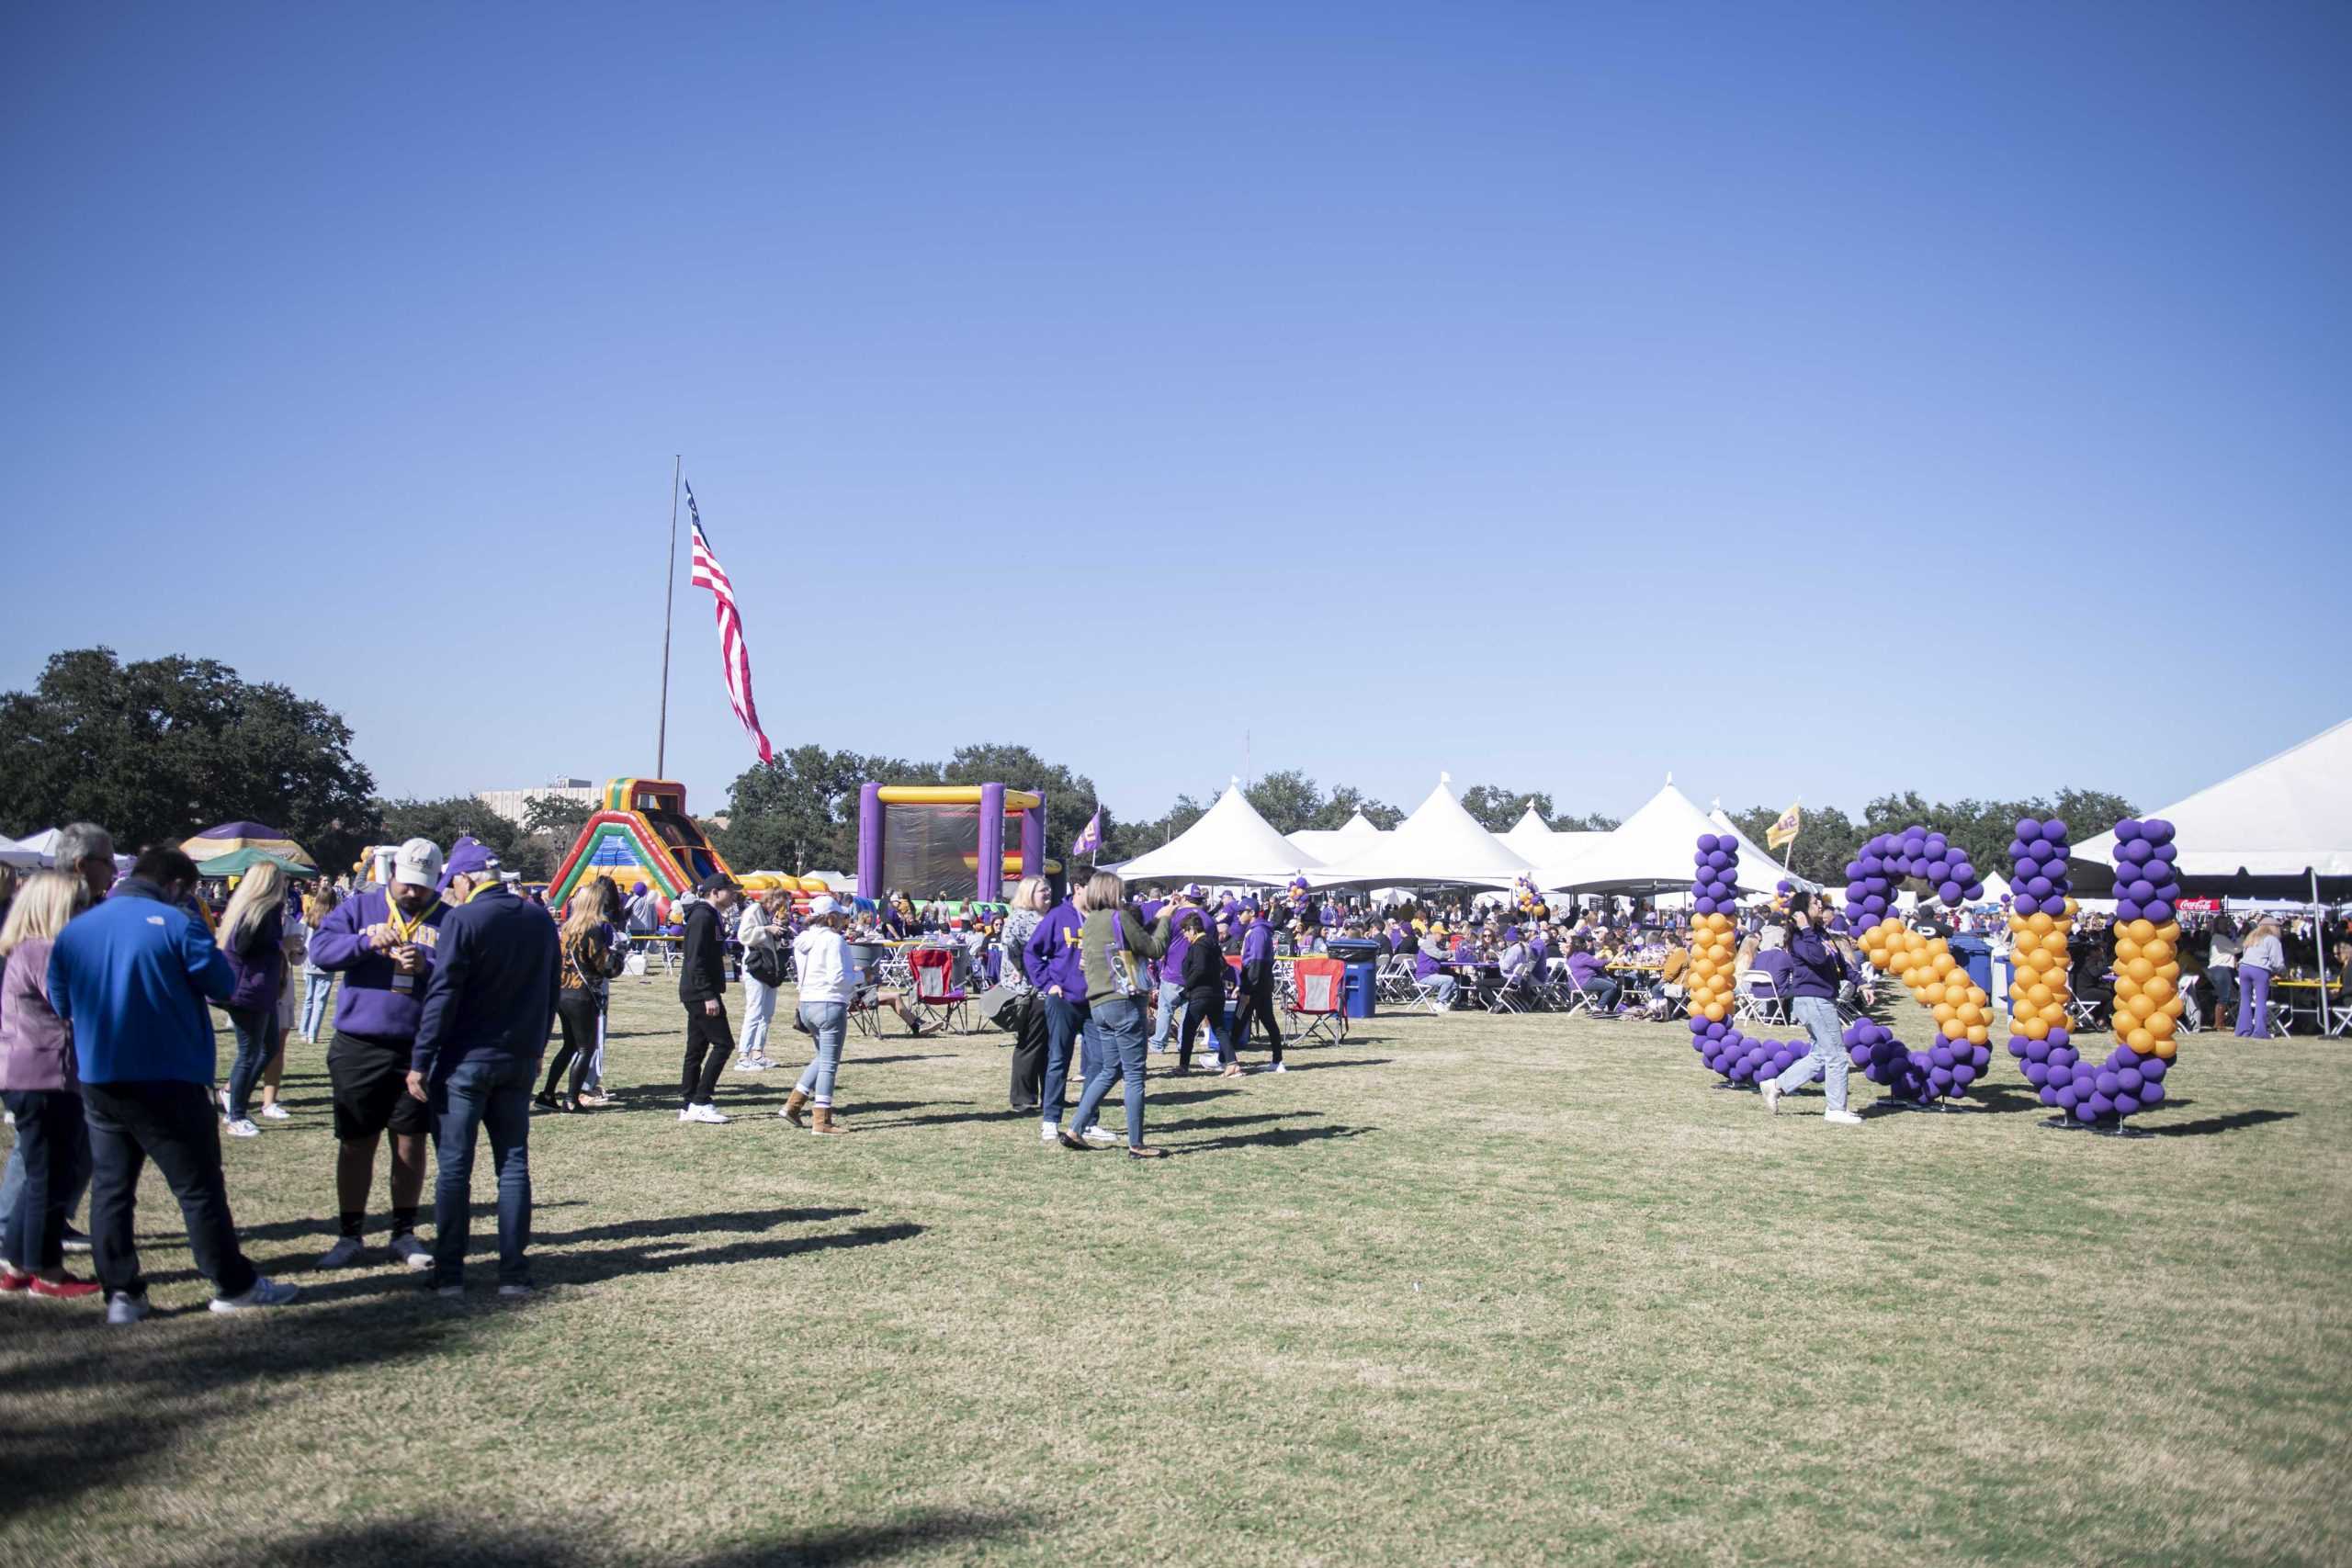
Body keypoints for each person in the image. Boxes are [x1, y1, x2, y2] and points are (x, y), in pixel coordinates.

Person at [48, 845, 299, 1322]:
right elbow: (222, 983)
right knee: (198, 1188)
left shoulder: (77, 929)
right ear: (178, 886)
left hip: (101, 1075)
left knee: (112, 1189)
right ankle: (232, 1284)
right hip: (170, 1075)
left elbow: (60, 1002)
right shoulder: (178, 923)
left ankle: (123, 1294)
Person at [406, 838, 561, 1299]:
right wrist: (537, 1046)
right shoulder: (537, 916)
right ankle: (513, 1273)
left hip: (466, 1060)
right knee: (513, 1166)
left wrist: (420, 1059)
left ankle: (450, 1274)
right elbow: (550, 987)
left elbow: (443, 993)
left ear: (464, 878)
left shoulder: (462, 918)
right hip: (518, 1058)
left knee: (455, 1168)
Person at [307, 838, 448, 1269]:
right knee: (356, 1141)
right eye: (407, 883)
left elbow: (467, 975)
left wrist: (427, 968)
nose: (412, 892)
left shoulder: (447, 919)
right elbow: (320, 952)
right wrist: (365, 945)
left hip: (417, 1047)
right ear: (392, 876)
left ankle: (404, 1233)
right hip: (359, 1043)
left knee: (410, 1140)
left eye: (422, 886)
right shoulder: (359, 909)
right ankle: (350, 1234)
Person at [1, 871, 98, 1299]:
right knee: (51, 1176)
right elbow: (73, 1005)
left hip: (32, 1074)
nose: (84, 913)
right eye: (77, 906)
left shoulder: (26, 948)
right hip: (43, 1076)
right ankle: (47, 1271)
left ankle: (19, 1264)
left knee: (44, 1172)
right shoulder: (44, 951)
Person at [1057, 873, 1175, 1158]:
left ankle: (1075, 1130)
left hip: (1098, 1006)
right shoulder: (1118, 918)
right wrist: (1166, 918)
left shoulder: (1091, 922)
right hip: (1124, 1003)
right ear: (1113, 892)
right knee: (1135, 1075)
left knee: (1109, 1070)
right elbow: (1155, 949)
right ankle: (1137, 1144)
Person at [1758, 891, 1874, 1125]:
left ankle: (1775, 1085)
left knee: (1821, 1055)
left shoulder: (1821, 934)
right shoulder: (1800, 938)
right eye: (1814, 903)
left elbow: (1840, 964)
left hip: (1822, 998)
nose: (1820, 905)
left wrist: (1861, 983)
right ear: (1801, 910)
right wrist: (1806, 928)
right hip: (1813, 999)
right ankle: (1835, 1109)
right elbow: (1817, 960)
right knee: (1837, 1056)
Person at [218, 861, 291, 1137]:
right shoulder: (258, 909)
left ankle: (233, 1096)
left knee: (269, 1048)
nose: (284, 886)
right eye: (281, 881)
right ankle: (235, 1114)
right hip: (247, 991)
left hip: (262, 990)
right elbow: (244, 945)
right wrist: (280, 945)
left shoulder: (263, 909)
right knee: (248, 1054)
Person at [1027, 883, 1104, 1145]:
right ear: (1079, 888)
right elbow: (1032, 952)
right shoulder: (1058, 916)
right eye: (1093, 889)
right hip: (1063, 1000)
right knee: (1059, 1060)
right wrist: (1049, 985)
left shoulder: (1101, 915)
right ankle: (1050, 1120)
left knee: (1098, 1062)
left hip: (1095, 1001)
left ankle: (1089, 1121)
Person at [541, 876, 620, 1112]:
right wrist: (619, 954)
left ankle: (547, 1094)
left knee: (569, 1046)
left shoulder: (566, 929)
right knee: (587, 1048)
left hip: (563, 992)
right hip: (582, 994)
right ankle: (571, 1099)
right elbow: (606, 967)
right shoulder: (592, 930)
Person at [781, 896, 854, 1135]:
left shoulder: (803, 940)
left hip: (808, 1003)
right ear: (830, 917)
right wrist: (864, 977)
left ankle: (793, 1105)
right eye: (840, 916)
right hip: (829, 1003)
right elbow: (839, 979)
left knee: (823, 1057)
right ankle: (821, 1120)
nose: (844, 920)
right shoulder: (834, 941)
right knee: (829, 1064)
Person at [677, 874, 743, 1123]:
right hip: (699, 993)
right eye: (729, 890)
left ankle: (688, 1103)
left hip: (700, 991)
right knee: (723, 1044)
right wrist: (707, 995)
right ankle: (701, 1100)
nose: (734, 895)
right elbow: (695, 960)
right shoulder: (703, 917)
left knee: (696, 1048)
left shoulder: (710, 916)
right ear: (715, 892)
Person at [1001, 876, 1051, 1111]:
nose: (1048, 893)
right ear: (1029, 894)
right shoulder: (1020, 918)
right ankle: (1022, 1097)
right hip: (1029, 991)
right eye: (1043, 890)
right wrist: (1022, 971)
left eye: (1049, 889)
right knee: (1030, 1044)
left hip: (1048, 990)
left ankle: (1050, 1095)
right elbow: (1010, 948)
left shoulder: (1049, 916)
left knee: (1049, 1046)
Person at [1173, 910, 1238, 1077]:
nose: (1186, 936)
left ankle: (1183, 1066)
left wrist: (1187, 987)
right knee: (1220, 1028)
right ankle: (1232, 1064)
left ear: (1193, 930)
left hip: (1201, 994)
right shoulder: (1213, 944)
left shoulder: (1199, 945)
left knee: (1188, 1029)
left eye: (1186, 932)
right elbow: (1223, 965)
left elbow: (1200, 968)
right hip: (1216, 992)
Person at [1228, 900, 1286, 1070]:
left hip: (1255, 985)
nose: (1239, 915)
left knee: (1239, 1020)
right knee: (1266, 1020)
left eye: (1242, 912)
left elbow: (1256, 962)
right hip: (1260, 983)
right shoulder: (1256, 930)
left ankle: (1224, 1059)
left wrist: (1246, 988)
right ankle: (1277, 1061)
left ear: (1252, 912)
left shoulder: (1258, 931)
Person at [735, 892, 785, 1073]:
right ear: (770, 899)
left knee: (767, 1013)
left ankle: (758, 1053)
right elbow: (744, 935)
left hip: (770, 967)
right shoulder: (754, 910)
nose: (779, 908)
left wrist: (776, 932)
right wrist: (766, 929)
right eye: (778, 903)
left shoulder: (766, 914)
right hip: (756, 965)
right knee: (754, 1011)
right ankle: (743, 1056)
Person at [297, 886, 340, 1043]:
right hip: (327, 960)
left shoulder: (308, 917)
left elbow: (300, 936)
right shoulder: (336, 918)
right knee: (320, 1000)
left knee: (309, 997)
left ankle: (303, 1031)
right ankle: (312, 1035)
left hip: (308, 960)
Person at [2237, 918, 2284, 1037]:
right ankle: (2260, 1031)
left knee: (2245, 1000)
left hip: (2244, 968)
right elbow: (2277, 962)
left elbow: (2244, 953)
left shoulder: (2252, 937)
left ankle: (2243, 1030)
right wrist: (2282, 972)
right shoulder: (2272, 939)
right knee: (2260, 1001)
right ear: (2273, 927)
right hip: (2260, 969)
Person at [1566, 937, 1621, 1014]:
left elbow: (1593, 963)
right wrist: (1610, 960)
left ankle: (1610, 1007)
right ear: (1582, 945)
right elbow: (1597, 963)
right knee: (1612, 986)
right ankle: (1599, 1007)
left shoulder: (1571, 956)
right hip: (1585, 981)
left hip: (1575, 983)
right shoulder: (1582, 955)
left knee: (1609, 982)